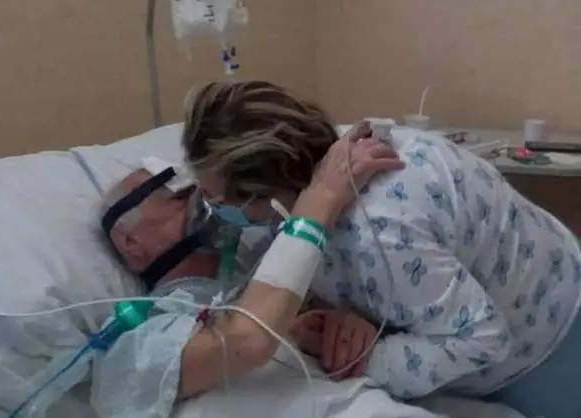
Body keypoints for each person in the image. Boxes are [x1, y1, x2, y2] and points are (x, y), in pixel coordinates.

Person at [180, 80, 581, 418]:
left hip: (547, 338)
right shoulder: (339, 150)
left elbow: (481, 338)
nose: (211, 211)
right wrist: (342, 317)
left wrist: (371, 359)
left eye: (218, 201)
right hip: (544, 268)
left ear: (267, 189)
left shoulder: (378, 231)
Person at [92, 126, 401, 417]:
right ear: (130, 241)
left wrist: (347, 329)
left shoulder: (285, 283)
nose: (211, 201)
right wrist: (321, 198)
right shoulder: (132, 345)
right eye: (180, 195)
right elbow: (248, 339)